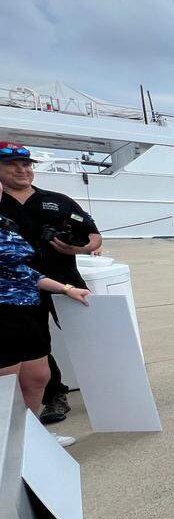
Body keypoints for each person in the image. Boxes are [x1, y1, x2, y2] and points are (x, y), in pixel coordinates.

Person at [0, 142, 102, 425]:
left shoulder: (58, 201)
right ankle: (54, 396)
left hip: (65, 282)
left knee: (88, 337)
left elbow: (93, 234)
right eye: (11, 164)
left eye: (26, 164)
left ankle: (106, 390)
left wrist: (78, 249)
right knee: (36, 348)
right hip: (15, 295)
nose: (21, 170)